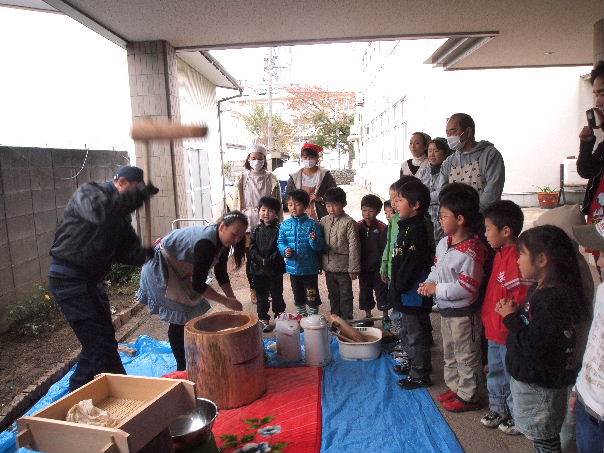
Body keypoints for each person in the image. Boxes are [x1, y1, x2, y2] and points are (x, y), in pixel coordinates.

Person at [48, 165, 159, 390]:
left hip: (91, 281)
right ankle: (83, 393)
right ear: (121, 182)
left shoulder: (121, 218)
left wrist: (148, 251)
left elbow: (128, 254)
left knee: (106, 340)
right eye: (134, 191)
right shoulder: (90, 193)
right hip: (68, 279)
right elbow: (98, 215)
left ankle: (115, 388)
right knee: (97, 344)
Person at [495, 225, 588, 453]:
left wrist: (511, 319)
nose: (517, 261)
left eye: (521, 255)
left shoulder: (551, 299)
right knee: (544, 438)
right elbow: (541, 331)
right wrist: (518, 314)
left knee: (545, 439)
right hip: (539, 384)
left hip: (540, 388)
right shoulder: (546, 292)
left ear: (542, 259)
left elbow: (534, 346)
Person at [138, 211, 247, 371]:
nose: (237, 240)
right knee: (179, 317)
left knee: (191, 313)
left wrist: (232, 299)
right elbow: (198, 285)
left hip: (180, 270)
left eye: (241, 236)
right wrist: (225, 301)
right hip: (160, 270)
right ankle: (182, 368)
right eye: (235, 234)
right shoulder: (206, 244)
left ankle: (190, 357)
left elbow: (221, 273)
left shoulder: (223, 243)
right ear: (222, 227)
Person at [419, 182, 487, 412]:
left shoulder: (472, 250)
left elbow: (467, 288)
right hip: (446, 311)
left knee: (466, 355)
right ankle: (456, 386)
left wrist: (437, 290)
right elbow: (437, 269)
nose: (440, 219)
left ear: (460, 219)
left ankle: (470, 395)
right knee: (449, 352)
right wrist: (429, 281)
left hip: (463, 315)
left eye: (444, 216)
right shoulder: (443, 243)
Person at [480, 200, 530, 435]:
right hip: (493, 329)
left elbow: (519, 296)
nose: (485, 233)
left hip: (507, 332)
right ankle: (498, 408)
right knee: (496, 372)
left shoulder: (515, 257)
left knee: (511, 374)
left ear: (506, 231)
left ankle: (515, 415)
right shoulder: (499, 253)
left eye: (489, 228)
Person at [387, 179, 434, 389]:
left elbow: (412, 263)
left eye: (400, 200)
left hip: (413, 293)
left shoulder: (418, 229)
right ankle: (413, 365)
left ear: (415, 205)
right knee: (406, 331)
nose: (395, 204)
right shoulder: (404, 225)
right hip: (402, 291)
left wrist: (400, 285)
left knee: (416, 335)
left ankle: (420, 374)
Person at [570, 219, 604, 453]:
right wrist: (579, 388)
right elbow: (594, 342)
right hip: (587, 402)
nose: (598, 261)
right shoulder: (602, 291)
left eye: (603, 253)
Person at [233, 144, 282, 304]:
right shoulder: (242, 178)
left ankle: (266, 289)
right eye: (253, 158)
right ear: (248, 159)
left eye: (260, 158)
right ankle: (253, 289)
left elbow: (278, 203)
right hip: (247, 223)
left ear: (264, 159)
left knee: (268, 255)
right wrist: (236, 223)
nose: (256, 161)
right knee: (251, 257)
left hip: (268, 221)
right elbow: (236, 202)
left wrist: (278, 223)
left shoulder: (271, 178)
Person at [440, 113, 505, 212]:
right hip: (457, 221)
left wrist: (472, 215)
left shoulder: (490, 155)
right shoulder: (448, 162)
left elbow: (492, 192)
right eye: (447, 133)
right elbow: (443, 192)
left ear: (468, 131)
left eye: (453, 131)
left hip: (483, 219)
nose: (449, 137)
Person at [278, 189, 326, 317]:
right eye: (290, 204)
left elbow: (319, 247)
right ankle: (302, 317)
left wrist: (314, 240)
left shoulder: (313, 224)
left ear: (305, 206)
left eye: (297, 204)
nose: (293, 207)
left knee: (312, 295)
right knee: (298, 296)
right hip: (294, 270)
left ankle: (313, 318)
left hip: (310, 269)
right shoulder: (284, 225)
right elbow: (281, 242)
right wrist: (284, 250)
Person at [576, 60, 604, 268]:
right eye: (596, 94)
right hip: (598, 231)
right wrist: (586, 144)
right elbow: (587, 171)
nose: (598, 102)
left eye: (603, 93)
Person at [320, 187, 361, 320]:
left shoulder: (349, 222)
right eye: (328, 205)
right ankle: (336, 320)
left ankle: (347, 321)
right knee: (333, 295)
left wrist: (353, 268)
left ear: (343, 204)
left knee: (346, 296)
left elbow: (354, 246)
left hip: (344, 268)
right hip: (328, 267)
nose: (331, 209)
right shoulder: (323, 220)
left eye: (335, 205)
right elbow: (319, 243)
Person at [249, 196, 286, 332]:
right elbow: (252, 249)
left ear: (276, 213)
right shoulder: (255, 230)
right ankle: (263, 318)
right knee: (261, 296)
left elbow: (280, 247)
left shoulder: (280, 229)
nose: (266, 213)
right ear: (259, 211)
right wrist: (260, 260)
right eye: (263, 210)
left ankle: (280, 316)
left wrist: (269, 260)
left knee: (277, 294)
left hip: (275, 268)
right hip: (258, 270)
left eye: (270, 211)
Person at [285, 142, 337, 220]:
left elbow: (335, 194)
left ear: (317, 158)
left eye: (311, 157)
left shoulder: (325, 175)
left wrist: (321, 198)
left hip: (322, 215)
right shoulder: (294, 177)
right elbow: (287, 197)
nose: (308, 160)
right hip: (299, 215)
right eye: (305, 157)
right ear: (301, 158)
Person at [357, 194, 388, 320]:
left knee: (382, 293)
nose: (367, 213)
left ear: (378, 211)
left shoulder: (382, 228)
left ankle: (386, 317)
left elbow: (385, 249)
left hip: (378, 269)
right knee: (365, 293)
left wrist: (384, 268)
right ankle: (368, 316)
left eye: (371, 210)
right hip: (363, 268)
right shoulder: (357, 226)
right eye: (364, 210)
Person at [419, 137, 453, 242]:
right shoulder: (424, 171)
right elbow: (418, 192)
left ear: (445, 152)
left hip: (443, 217)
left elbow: (442, 194)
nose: (432, 154)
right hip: (425, 217)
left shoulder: (449, 170)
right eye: (430, 151)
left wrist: (423, 198)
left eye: (436, 151)